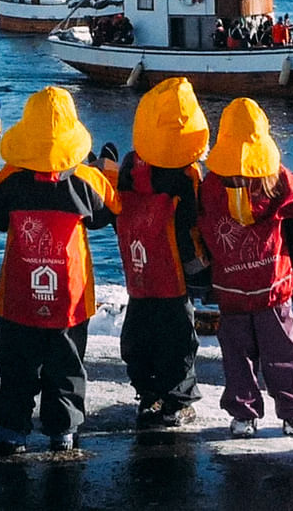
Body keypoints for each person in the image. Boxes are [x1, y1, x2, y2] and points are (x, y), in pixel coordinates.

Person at [0, 87, 119, 456]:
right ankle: (63, 429)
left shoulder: (11, 179)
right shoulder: (87, 179)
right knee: (67, 364)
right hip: (69, 296)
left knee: (15, 361)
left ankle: (12, 425)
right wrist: (108, 171)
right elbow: (108, 214)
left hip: (19, 293)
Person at [198, 98, 293, 438]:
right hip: (273, 286)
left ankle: (243, 415)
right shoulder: (277, 179)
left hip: (230, 287)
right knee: (283, 352)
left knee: (237, 356)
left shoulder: (211, 185)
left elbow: (202, 228)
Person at [109, 77, 210, 428]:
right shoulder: (188, 177)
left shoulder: (130, 167)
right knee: (179, 337)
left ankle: (147, 395)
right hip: (175, 275)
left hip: (138, 271)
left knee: (139, 334)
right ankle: (177, 400)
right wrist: (204, 275)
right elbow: (195, 227)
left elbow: (115, 213)